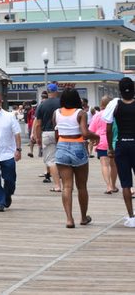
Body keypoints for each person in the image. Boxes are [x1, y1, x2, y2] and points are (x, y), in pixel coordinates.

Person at [53, 88, 99, 228]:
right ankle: (83, 217)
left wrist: (60, 145)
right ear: (77, 99)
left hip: (61, 147)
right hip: (77, 147)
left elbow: (56, 132)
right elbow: (84, 133)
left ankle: (69, 219)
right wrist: (96, 136)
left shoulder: (56, 112)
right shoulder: (81, 113)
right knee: (81, 186)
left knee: (67, 186)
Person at [104, 77, 135, 227]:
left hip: (122, 145)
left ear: (120, 90)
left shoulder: (115, 105)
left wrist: (110, 147)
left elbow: (108, 128)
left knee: (126, 184)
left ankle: (131, 217)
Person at [34, 83, 62, 192]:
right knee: (62, 158)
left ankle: (57, 185)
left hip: (47, 133)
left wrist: (38, 138)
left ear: (48, 92)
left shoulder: (42, 105)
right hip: (60, 133)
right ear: (56, 91)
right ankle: (68, 183)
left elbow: (37, 124)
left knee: (51, 160)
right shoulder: (61, 103)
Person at [90, 96, 119, 194]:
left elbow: (91, 130)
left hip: (101, 141)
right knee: (113, 165)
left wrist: (93, 139)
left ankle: (108, 186)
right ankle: (114, 185)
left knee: (104, 165)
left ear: (101, 104)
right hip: (114, 141)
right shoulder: (115, 113)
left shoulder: (97, 115)